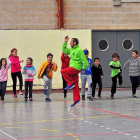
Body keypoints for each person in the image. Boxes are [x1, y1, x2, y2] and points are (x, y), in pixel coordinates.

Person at [61, 36, 88, 107]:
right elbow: (64, 50)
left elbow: (84, 61)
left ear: (75, 43)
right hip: (72, 67)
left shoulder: (79, 50)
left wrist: (84, 69)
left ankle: (70, 83)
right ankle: (76, 99)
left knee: (63, 71)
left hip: (76, 68)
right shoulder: (71, 50)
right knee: (75, 84)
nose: (70, 42)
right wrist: (65, 42)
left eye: (71, 41)